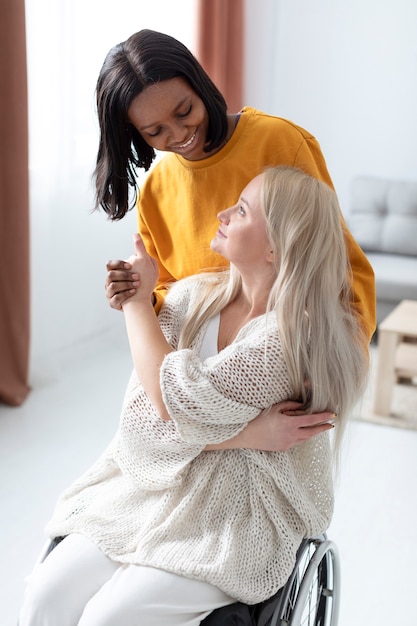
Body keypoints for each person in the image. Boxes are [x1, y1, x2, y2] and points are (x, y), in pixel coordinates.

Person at [19, 166, 369, 626]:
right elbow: (142, 424)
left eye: (241, 210)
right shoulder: (189, 298)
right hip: (152, 487)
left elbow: (173, 403)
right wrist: (247, 432)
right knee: (46, 594)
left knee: (110, 617)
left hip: (237, 513)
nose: (222, 214)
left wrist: (137, 304)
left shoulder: (292, 340)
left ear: (275, 246)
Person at [98, 28, 375, 452]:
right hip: (205, 391)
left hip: (281, 378)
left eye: (185, 110)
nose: (179, 134)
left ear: (198, 82)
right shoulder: (157, 190)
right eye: (155, 131)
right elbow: (171, 296)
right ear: (135, 134)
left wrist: (335, 368)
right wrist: (136, 296)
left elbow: (335, 258)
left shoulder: (279, 142)